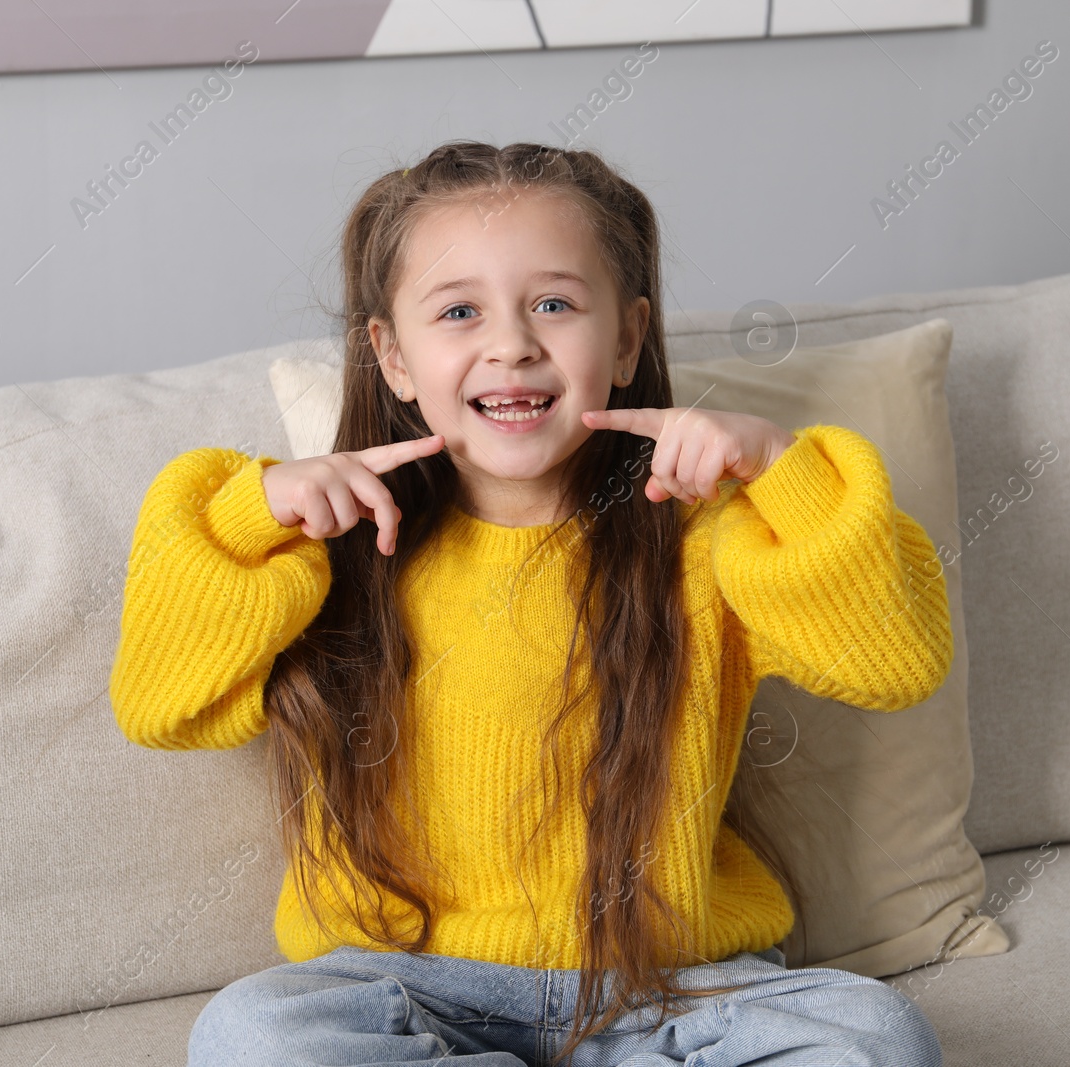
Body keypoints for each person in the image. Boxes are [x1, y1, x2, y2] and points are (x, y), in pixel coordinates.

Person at [109, 140, 954, 1067]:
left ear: (627, 339)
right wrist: (252, 521)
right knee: (251, 1035)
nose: (511, 343)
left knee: (875, 1034)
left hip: (665, 993)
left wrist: (780, 468)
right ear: (392, 356)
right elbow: (163, 708)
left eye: (554, 304)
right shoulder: (329, 551)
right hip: (408, 990)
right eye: (459, 310)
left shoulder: (712, 538)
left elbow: (897, 662)